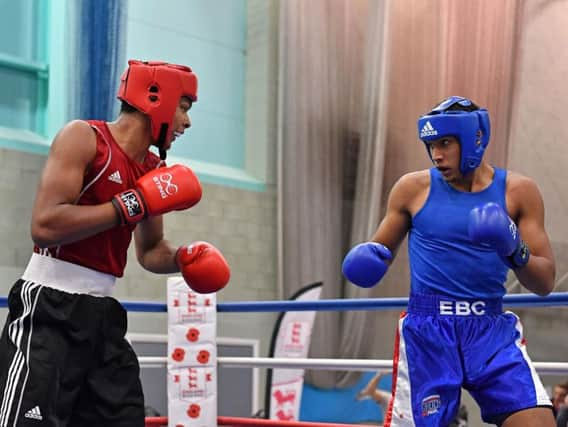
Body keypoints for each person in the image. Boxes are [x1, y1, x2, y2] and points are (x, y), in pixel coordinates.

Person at [0, 60, 231, 426]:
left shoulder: (155, 172)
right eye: (184, 108)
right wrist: (130, 204)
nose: (187, 122)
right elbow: (45, 225)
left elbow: (150, 251)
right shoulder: (84, 137)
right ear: (157, 97)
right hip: (49, 309)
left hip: (102, 317)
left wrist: (184, 257)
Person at [342, 96, 556, 426]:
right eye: (430, 145)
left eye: (445, 143)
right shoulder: (412, 189)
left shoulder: (518, 191)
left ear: (476, 138)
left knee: (538, 422)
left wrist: (514, 246)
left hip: (490, 329)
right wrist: (367, 258)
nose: (436, 154)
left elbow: (544, 283)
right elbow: (378, 252)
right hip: (430, 332)